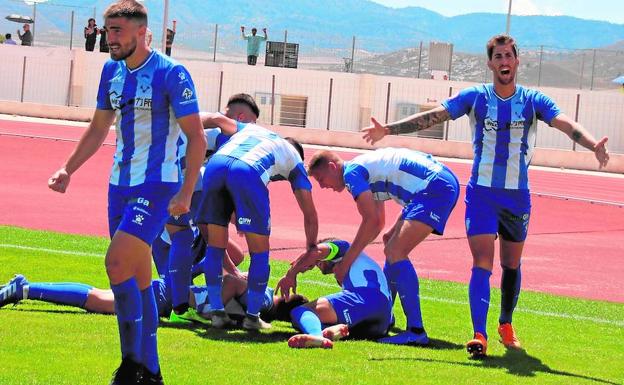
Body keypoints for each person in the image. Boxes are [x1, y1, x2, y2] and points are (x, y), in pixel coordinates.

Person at [360, 34, 610, 357]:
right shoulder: (476, 98)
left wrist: (593, 145)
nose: (504, 62)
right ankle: (479, 334)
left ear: (517, 61)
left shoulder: (533, 101)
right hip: (481, 194)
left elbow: (565, 123)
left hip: (517, 198)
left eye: (509, 56)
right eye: (498, 57)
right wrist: (390, 130)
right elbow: (434, 115)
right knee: (482, 262)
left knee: (511, 264)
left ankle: (505, 323)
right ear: (490, 63)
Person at [47, 1, 206, 384]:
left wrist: (186, 192)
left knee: (115, 263)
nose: (110, 38)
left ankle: (130, 364)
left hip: (158, 186)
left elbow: (197, 138)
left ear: (140, 32)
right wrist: (68, 168)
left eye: (117, 30)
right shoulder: (110, 71)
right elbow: (99, 127)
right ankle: (149, 371)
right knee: (137, 279)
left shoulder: (171, 73)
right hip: (119, 185)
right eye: (108, 30)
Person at [306, 148, 459, 346]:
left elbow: (370, 221)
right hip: (435, 184)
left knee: (396, 251)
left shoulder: (351, 173)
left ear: (332, 167)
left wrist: (346, 263)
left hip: (434, 187)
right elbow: (377, 224)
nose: (322, 186)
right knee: (389, 241)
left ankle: (416, 330)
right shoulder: (361, 171)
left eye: (321, 179)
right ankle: (386, 313)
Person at [195, 111, 319, 331]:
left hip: (215, 165)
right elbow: (309, 213)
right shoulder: (295, 161)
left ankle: (216, 313)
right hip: (248, 171)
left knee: (215, 246)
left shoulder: (251, 129)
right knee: (260, 252)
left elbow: (214, 117)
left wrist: (179, 122)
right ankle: (252, 316)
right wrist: (311, 246)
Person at [166, 94, 260, 323]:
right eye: (250, 123)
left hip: (161, 179)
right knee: (185, 236)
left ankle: (179, 301)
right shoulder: (222, 133)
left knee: (185, 235)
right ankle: (179, 307)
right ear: (240, 117)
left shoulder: (200, 122)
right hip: (175, 184)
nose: (249, 130)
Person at [0, 273, 307, 326]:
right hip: (163, 297)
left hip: (165, 294)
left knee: (98, 295)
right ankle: (25, 290)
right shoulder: (264, 303)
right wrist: (211, 313)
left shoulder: (264, 300)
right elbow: (232, 282)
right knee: (97, 301)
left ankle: (28, 286)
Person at [276, 238, 393, 349]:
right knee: (309, 322)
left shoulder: (342, 248)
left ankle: (317, 335)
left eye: (319, 261)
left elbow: (315, 252)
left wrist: (290, 274)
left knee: (301, 312)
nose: (317, 264)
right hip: (382, 322)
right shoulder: (359, 265)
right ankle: (331, 332)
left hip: (365, 298)